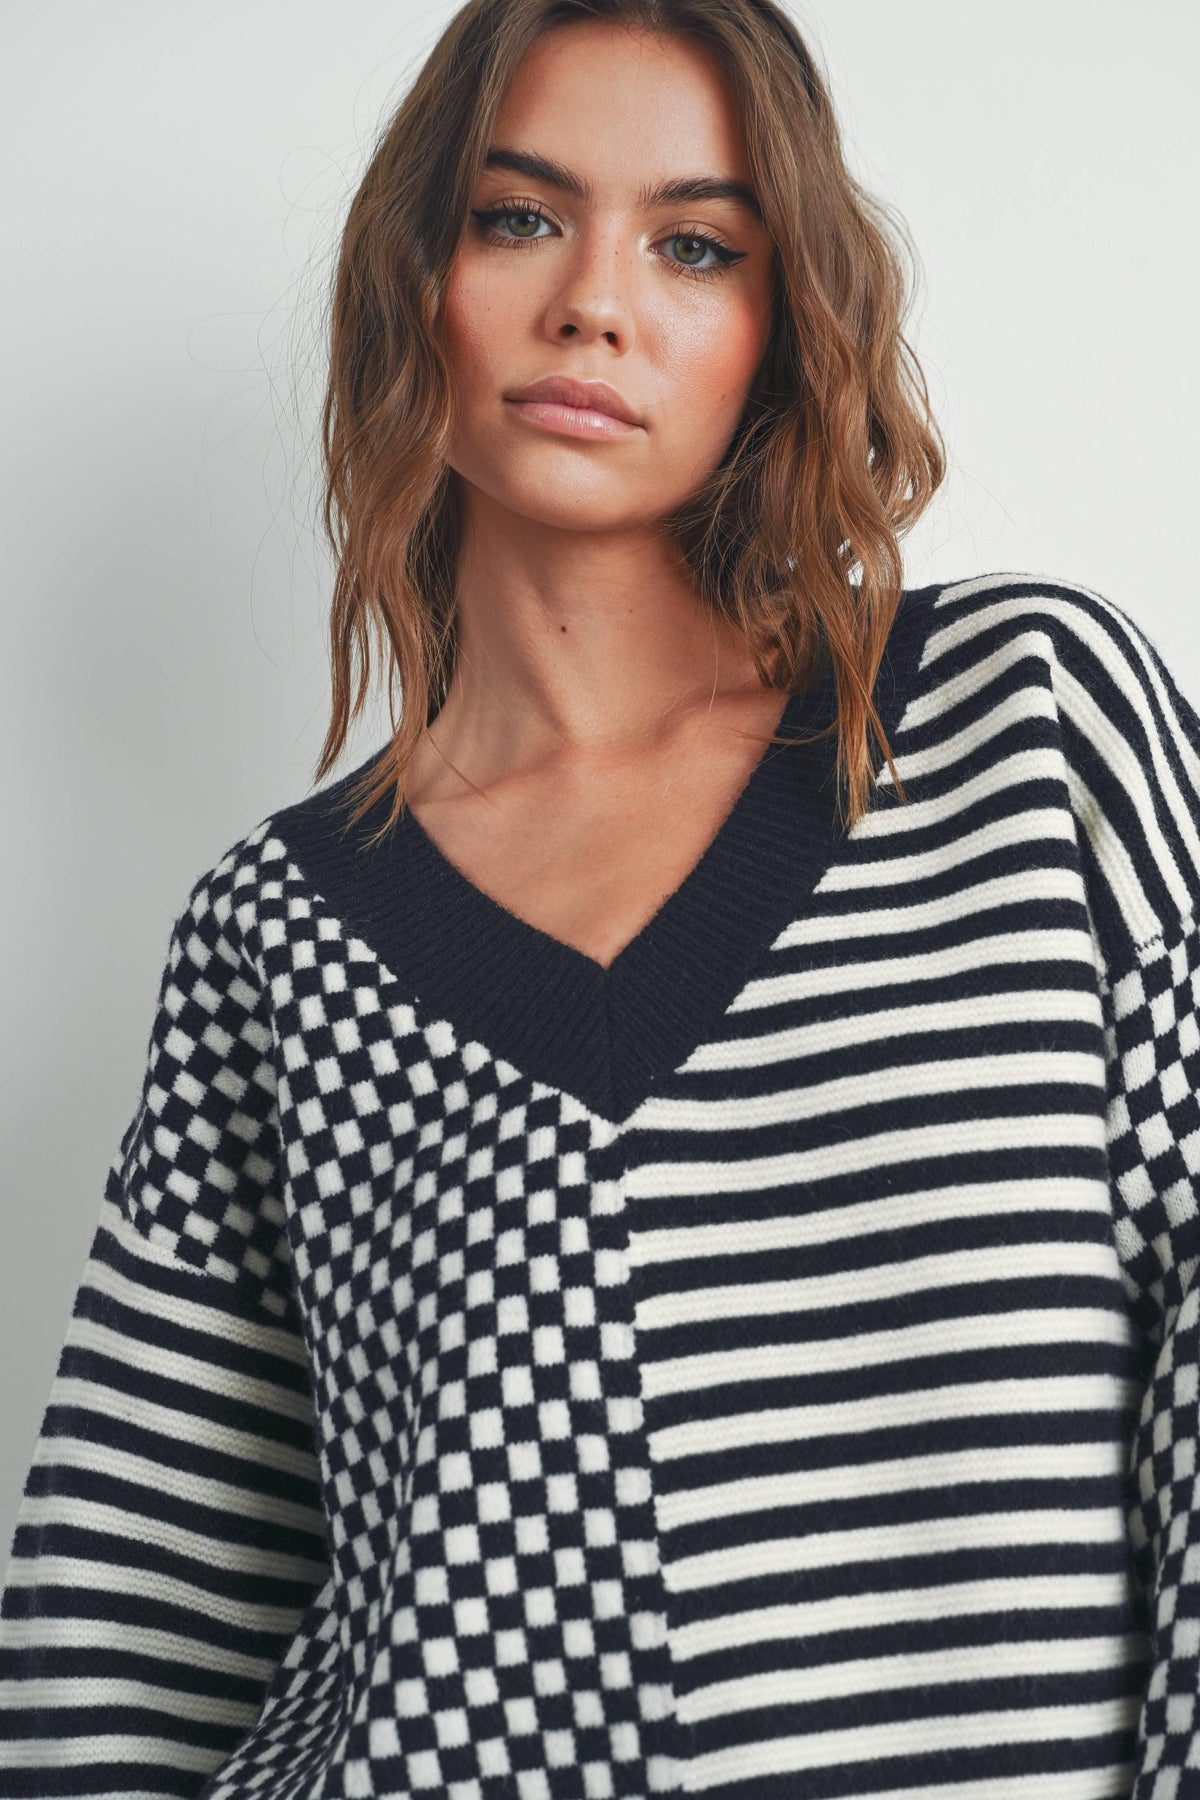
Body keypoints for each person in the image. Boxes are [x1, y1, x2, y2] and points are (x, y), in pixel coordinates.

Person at [0, 0, 1196, 1795]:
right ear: (417, 281)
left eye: (696, 245)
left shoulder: (1024, 728)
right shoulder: (280, 936)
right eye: (519, 217)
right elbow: (119, 1641)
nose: (595, 303)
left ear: (782, 328)